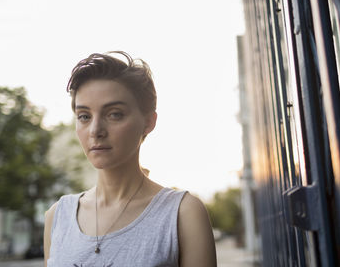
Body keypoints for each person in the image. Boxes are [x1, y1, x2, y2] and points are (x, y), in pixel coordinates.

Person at [43, 51, 217, 267]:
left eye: (114, 114)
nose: (95, 130)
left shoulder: (183, 214)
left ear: (148, 122)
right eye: (84, 116)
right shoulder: (57, 217)